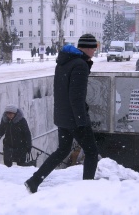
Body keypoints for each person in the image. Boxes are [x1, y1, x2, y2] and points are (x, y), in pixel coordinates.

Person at [24, 34, 99, 193]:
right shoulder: (79, 65)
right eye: (94, 47)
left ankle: (35, 180)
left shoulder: (65, 62)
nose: (95, 51)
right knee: (92, 152)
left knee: (62, 151)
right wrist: (81, 120)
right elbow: (76, 96)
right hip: (75, 118)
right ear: (87, 48)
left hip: (63, 116)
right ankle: (87, 190)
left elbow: (62, 91)